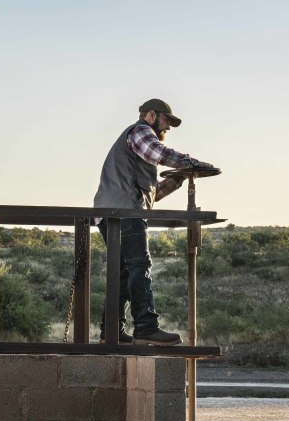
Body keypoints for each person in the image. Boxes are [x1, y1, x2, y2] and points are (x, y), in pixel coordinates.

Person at [92, 98, 215, 345]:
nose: (167, 127)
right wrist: (192, 164)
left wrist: (178, 179)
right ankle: (146, 327)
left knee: (123, 272)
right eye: (166, 120)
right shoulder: (140, 131)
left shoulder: (136, 150)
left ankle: (111, 331)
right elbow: (159, 153)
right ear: (151, 115)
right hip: (125, 213)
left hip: (113, 212)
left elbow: (151, 194)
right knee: (140, 265)